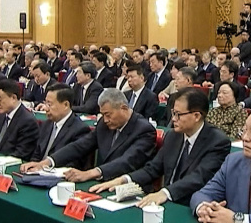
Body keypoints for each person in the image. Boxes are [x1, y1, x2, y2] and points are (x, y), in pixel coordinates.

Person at [90, 88, 232, 207]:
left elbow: (198, 178)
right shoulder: (172, 136)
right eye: (173, 113)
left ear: (196, 116)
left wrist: (165, 193)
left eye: (178, 114)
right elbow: (153, 168)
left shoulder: (217, 141)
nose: (173, 119)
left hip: (192, 206)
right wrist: (124, 179)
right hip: (164, 202)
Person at [20, 88, 157, 182]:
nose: (105, 119)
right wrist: (47, 162)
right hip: (101, 182)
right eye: (102, 115)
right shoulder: (104, 125)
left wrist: (90, 173)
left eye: (108, 114)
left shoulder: (144, 130)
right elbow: (80, 146)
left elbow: (128, 161)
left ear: (124, 108)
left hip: (128, 187)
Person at [29, 84, 92, 164]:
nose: (46, 108)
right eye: (45, 103)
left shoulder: (80, 129)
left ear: (66, 105)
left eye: (50, 104)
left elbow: (73, 163)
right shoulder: (46, 124)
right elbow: (37, 154)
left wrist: (44, 167)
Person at [0, 79, 36, 158]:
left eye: (0, 99)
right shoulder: (0, 116)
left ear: (13, 98)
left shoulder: (28, 121)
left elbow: (21, 154)